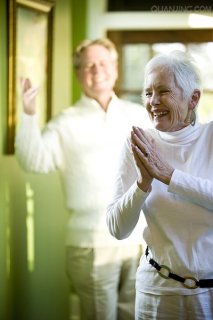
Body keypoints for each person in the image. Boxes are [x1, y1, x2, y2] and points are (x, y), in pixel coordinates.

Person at [15, 38, 151, 320]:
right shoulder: (65, 122)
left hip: (140, 241)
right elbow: (33, 161)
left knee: (137, 315)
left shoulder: (138, 115)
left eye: (103, 63)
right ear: (78, 74)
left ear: (115, 68)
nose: (96, 70)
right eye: (88, 65)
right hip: (90, 245)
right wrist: (28, 114)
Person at [106, 50, 213, 320]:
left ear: (194, 98)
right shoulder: (139, 144)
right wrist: (142, 184)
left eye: (163, 91)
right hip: (157, 293)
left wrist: (169, 175)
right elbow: (117, 229)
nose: (153, 101)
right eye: (147, 92)